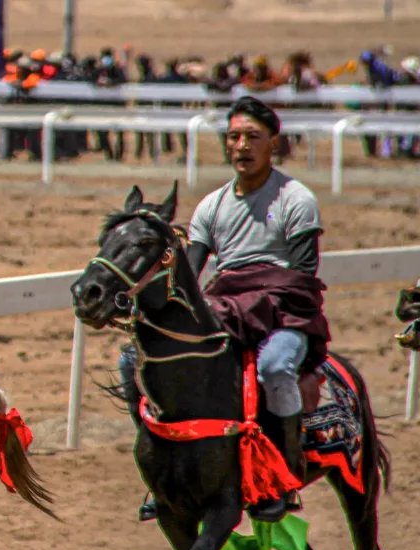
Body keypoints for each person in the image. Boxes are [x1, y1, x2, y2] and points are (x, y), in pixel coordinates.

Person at [125, 96, 328, 524]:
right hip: (228, 311)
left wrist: (251, 302)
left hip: (285, 312)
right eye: (234, 136)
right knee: (145, 365)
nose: (241, 145)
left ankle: (286, 474)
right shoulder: (210, 207)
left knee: (273, 369)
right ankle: (162, 474)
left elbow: (304, 278)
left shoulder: (296, 199)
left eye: (252, 137)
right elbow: (188, 277)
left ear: (273, 142)